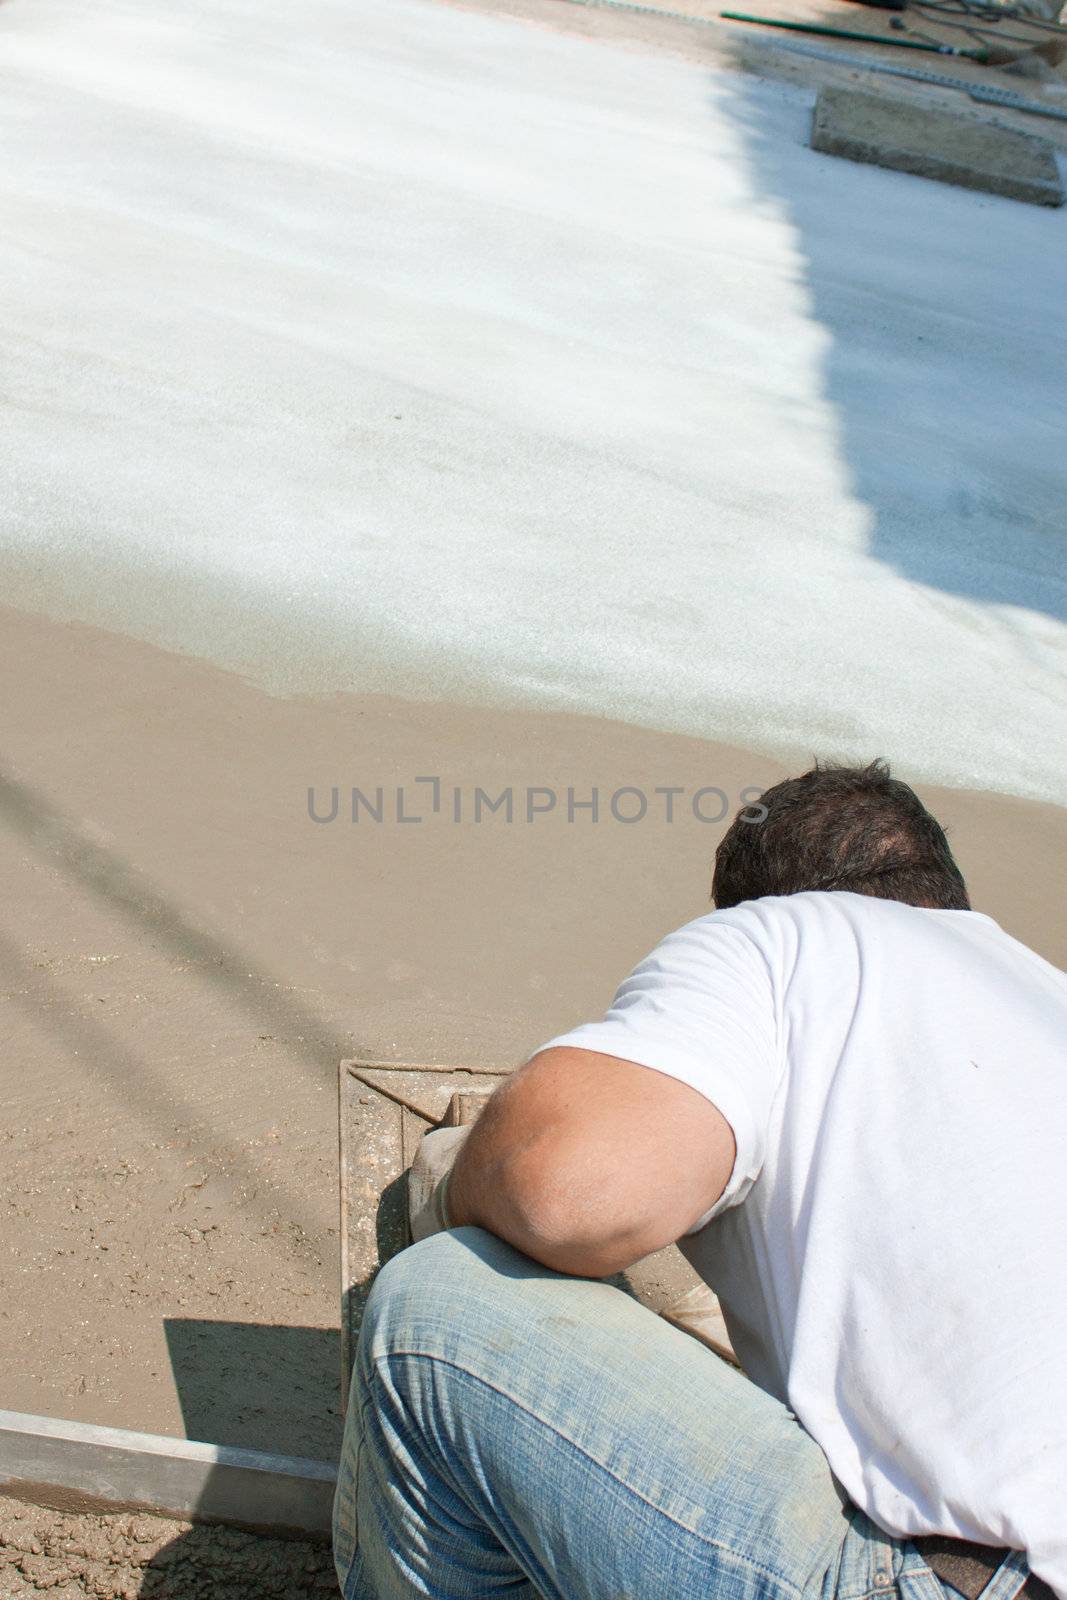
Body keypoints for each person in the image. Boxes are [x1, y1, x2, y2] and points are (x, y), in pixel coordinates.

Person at [333, 761, 1066, 1600]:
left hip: (991, 1582)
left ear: (757, 900)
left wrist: (462, 1181)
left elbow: (573, 1195)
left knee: (439, 1302)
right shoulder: (1044, 991)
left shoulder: (790, 936)